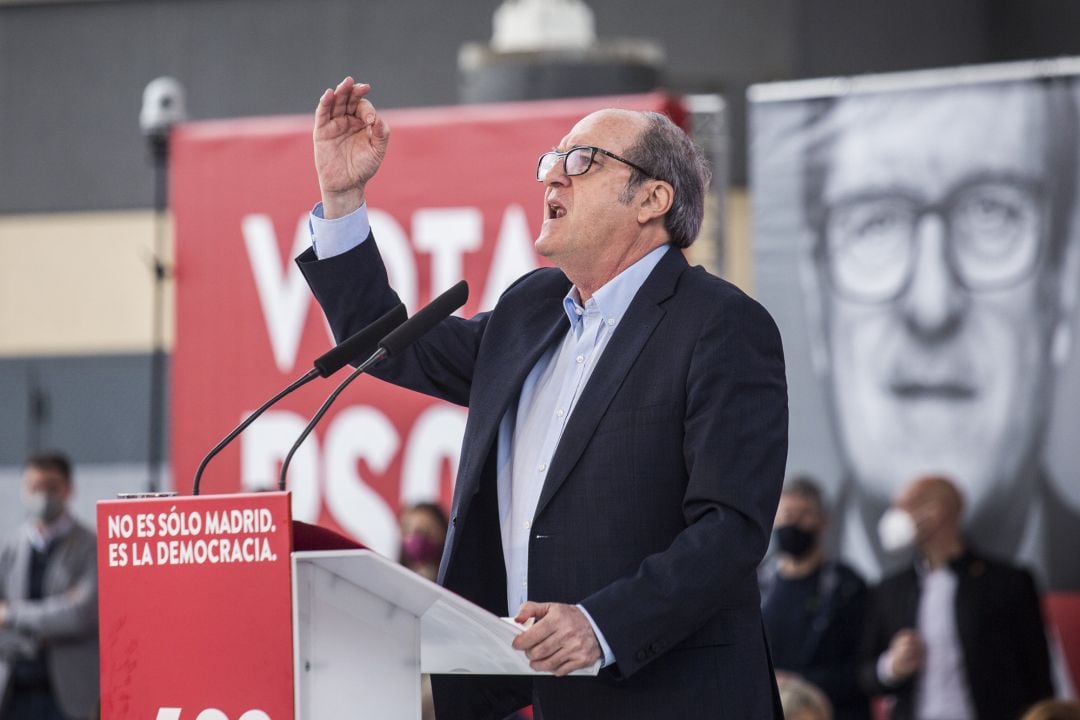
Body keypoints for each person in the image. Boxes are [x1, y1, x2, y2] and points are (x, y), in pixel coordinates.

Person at [297, 77, 789, 719]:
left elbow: (730, 530)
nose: (551, 178)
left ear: (652, 199)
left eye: (581, 161)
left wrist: (600, 624)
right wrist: (342, 196)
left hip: (670, 693)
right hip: (532, 695)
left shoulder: (721, 325)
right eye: (551, 161)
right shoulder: (531, 310)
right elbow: (394, 344)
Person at [799, 79, 1080, 589]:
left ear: (1061, 286)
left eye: (991, 213)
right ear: (818, 304)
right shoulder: (738, 602)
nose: (932, 305)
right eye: (876, 222)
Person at [859, 474, 1054, 720]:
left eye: (903, 507)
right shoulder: (890, 589)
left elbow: (1038, 674)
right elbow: (866, 675)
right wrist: (892, 666)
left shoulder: (1007, 583)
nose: (894, 517)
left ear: (935, 512)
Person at [761, 476, 870, 720]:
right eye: (787, 514)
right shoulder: (757, 586)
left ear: (823, 521)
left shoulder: (848, 587)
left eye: (804, 514)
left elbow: (862, 668)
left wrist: (798, 682)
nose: (794, 522)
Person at [0, 452, 99, 720]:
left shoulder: (91, 547)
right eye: (34, 487)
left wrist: (12, 616)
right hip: (14, 692)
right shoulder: (10, 549)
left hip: (69, 697)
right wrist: (52, 619)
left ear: (69, 489)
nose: (42, 496)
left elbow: (79, 614)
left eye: (51, 487)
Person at [398, 502, 449, 582]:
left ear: (444, 533)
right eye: (410, 530)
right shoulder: (392, 580)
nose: (418, 539)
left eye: (427, 530)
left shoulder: (457, 585)